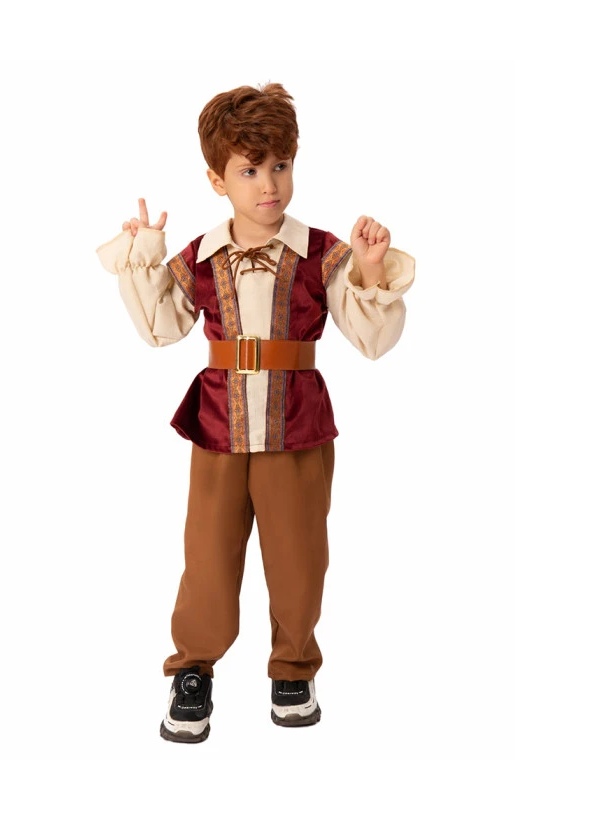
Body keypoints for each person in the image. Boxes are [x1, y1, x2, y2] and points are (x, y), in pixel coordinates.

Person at [95, 82, 415, 744]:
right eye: (249, 170)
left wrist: (371, 270)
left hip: (296, 427)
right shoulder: (201, 255)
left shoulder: (321, 252)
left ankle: (293, 667)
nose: (268, 184)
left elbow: (372, 339)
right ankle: (192, 668)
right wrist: (143, 257)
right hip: (218, 426)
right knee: (207, 556)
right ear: (217, 180)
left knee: (299, 558)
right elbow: (160, 328)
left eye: (280, 165)